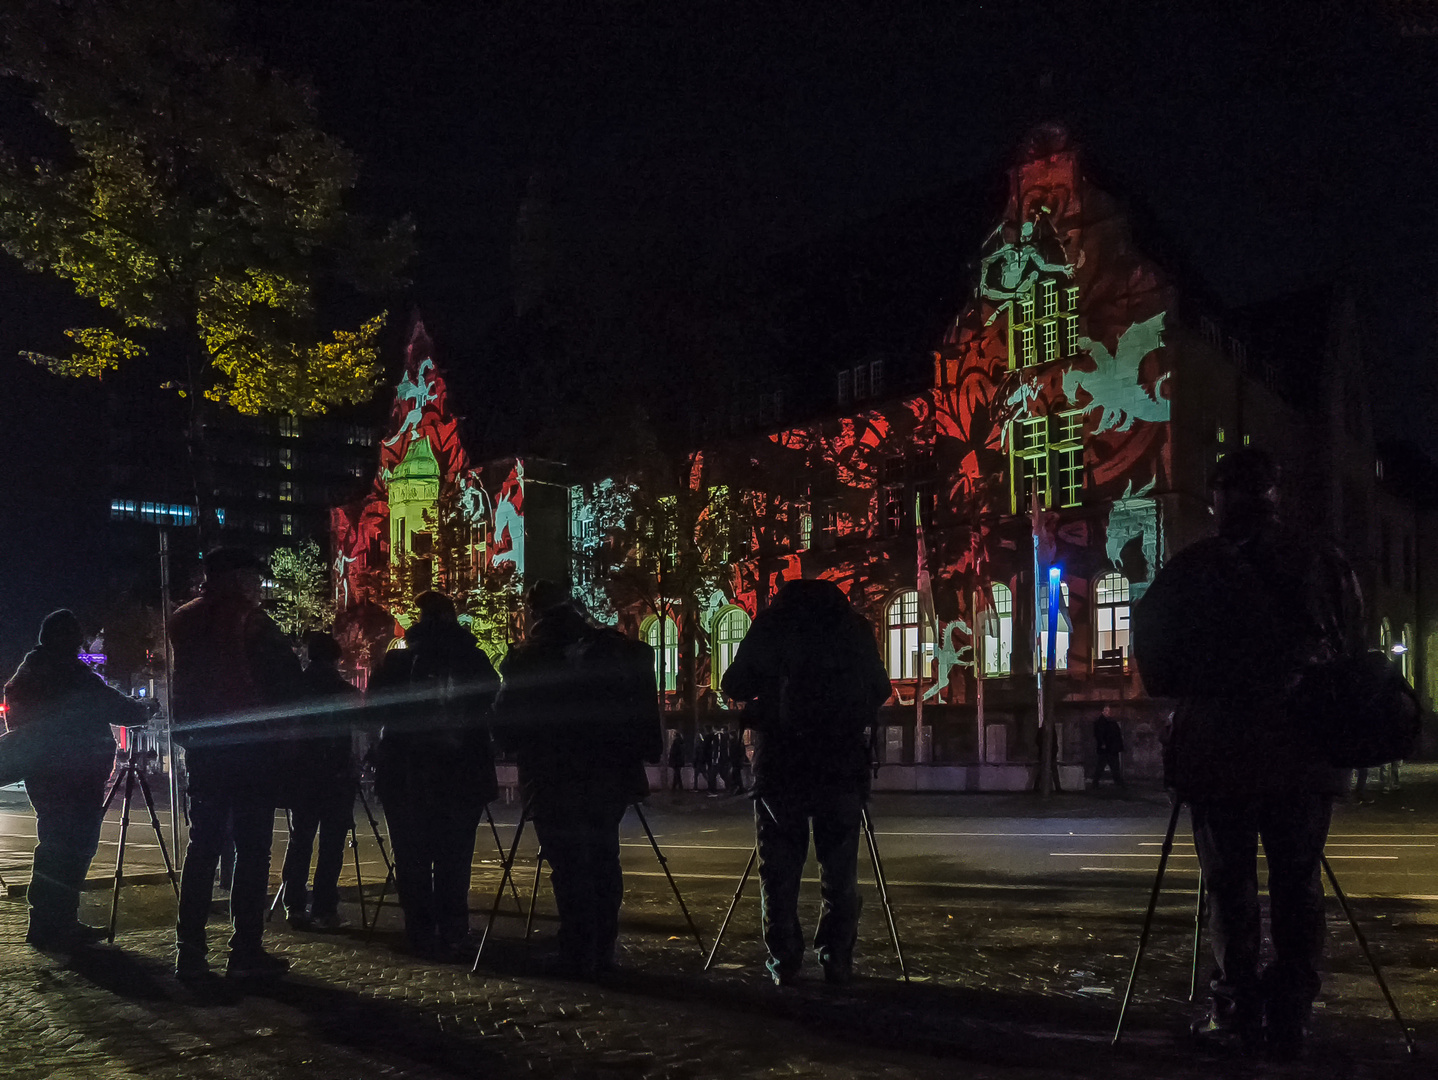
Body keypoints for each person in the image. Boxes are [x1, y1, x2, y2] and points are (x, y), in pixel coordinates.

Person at [1134, 448, 1363, 1059]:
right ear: (1274, 496)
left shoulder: (1190, 571)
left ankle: (1234, 1010)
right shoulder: (1324, 561)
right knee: (1298, 882)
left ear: (1219, 501)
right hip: (1304, 747)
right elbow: (1353, 650)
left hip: (1219, 750)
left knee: (1230, 886)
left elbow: (1157, 669)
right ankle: (1291, 1014)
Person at [722, 579, 890, 986]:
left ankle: (784, 962)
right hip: (841, 765)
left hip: (781, 764)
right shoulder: (853, 627)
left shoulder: (772, 625)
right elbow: (881, 689)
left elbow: (732, 684)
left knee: (778, 873)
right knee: (839, 873)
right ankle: (837, 960)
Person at [493, 581, 662, 979]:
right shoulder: (610, 648)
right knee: (604, 857)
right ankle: (603, 946)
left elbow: (504, 729)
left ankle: (577, 947)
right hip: (608, 773)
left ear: (534, 612)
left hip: (552, 775)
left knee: (568, 865)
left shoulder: (527, 658)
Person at [171, 547, 304, 981]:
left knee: (203, 848)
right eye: (250, 576)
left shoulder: (183, 619)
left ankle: (189, 950)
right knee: (252, 851)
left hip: (205, 747)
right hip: (251, 751)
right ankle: (245, 947)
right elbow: (284, 684)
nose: (255, 585)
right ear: (235, 578)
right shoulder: (252, 621)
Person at [3, 610, 143, 950]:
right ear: (69, 640)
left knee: (53, 844)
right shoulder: (73, 674)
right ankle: (58, 925)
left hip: (42, 772)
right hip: (77, 775)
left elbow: (18, 724)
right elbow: (119, 708)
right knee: (74, 848)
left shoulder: (26, 675)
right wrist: (145, 709)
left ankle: (47, 924)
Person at [370, 591, 498, 959]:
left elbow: (374, 710)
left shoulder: (397, 662)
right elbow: (491, 703)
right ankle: (453, 927)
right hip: (461, 771)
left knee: (410, 856)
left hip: (404, 772)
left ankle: (420, 930)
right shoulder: (472, 658)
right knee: (454, 856)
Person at [280, 631, 360, 930]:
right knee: (331, 844)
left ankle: (294, 904)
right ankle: (325, 908)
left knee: (300, 839)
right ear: (335, 658)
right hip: (336, 775)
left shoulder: (297, 688)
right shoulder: (344, 691)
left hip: (302, 774)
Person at [1092, 706, 1125, 787]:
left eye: (1109, 711)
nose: (1108, 712)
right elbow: (1099, 734)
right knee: (1105, 766)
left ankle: (1117, 782)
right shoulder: (1102, 722)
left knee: (1111, 766)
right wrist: (1103, 743)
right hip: (1107, 748)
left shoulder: (1109, 722)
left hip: (1111, 748)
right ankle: (1096, 782)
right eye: (1106, 711)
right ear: (1103, 712)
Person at [726, 729, 748, 795]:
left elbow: (732, 754)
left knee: (735, 776)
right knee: (737, 776)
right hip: (738, 762)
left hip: (734, 762)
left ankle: (736, 789)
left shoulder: (732, 743)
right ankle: (740, 788)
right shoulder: (739, 743)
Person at [692, 726, 712, 792]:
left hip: (698, 759)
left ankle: (696, 788)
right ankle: (710, 785)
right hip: (702, 759)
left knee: (697, 774)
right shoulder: (703, 737)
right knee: (703, 774)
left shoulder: (698, 737)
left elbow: (696, 749)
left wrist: (694, 759)